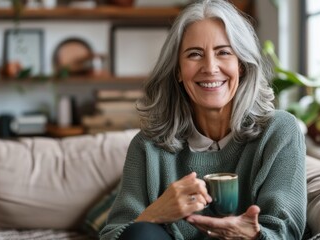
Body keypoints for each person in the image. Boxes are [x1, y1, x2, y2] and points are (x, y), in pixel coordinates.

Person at [99, 0, 307, 239]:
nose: (210, 67)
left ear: (241, 65)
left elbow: (286, 232)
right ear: (178, 70)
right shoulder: (147, 145)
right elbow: (114, 235)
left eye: (224, 52)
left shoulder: (279, 131)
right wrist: (155, 213)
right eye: (194, 54)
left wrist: (250, 235)